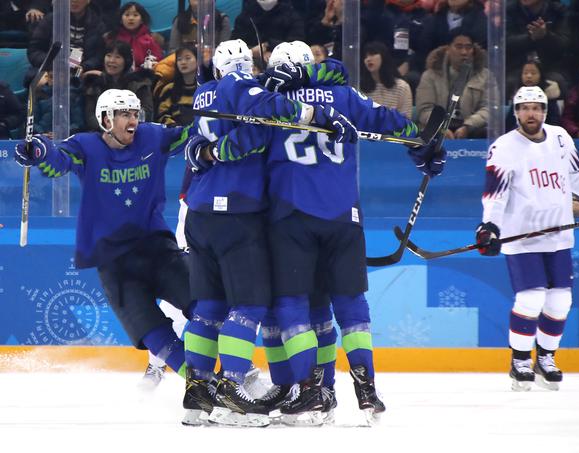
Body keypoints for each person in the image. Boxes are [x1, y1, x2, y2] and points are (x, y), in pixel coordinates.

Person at [262, 40, 442, 426]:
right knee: (350, 307)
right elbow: (392, 122)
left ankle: (312, 390)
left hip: (291, 216)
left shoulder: (268, 96)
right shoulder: (344, 93)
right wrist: (422, 146)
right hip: (344, 216)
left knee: (295, 306)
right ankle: (367, 390)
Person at [179, 38, 354, 427]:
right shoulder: (243, 89)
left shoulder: (205, 93)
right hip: (238, 214)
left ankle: (197, 394)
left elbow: (195, 147)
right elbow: (262, 126)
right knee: (251, 306)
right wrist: (321, 117)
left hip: (201, 213)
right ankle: (231, 395)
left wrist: (205, 152)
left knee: (209, 307)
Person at [14, 89, 196, 386]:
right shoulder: (85, 147)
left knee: (204, 304)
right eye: (124, 114)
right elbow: (57, 159)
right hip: (114, 259)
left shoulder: (153, 137)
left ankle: (236, 375)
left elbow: (189, 135)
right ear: (105, 119)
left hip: (157, 248)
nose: (132, 120)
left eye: (135, 113)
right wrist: (38, 150)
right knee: (151, 330)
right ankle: (200, 384)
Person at [475, 86, 579, 392]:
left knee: (560, 301)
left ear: (545, 111)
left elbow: (576, 177)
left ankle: (546, 358)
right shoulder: (504, 147)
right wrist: (489, 226)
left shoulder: (560, 137)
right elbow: (495, 193)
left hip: (559, 234)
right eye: (525, 108)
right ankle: (520, 360)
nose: (531, 113)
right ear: (516, 112)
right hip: (522, 236)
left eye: (537, 107)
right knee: (531, 298)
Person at [416, 31, 492, 138]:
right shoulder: (430, 76)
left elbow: (488, 109)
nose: (464, 52)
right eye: (459, 47)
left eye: (468, 47)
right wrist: (441, 127)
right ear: (448, 49)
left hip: (473, 129)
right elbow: (425, 110)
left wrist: (468, 126)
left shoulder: (486, 76)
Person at [81, 41, 155, 131]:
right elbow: (90, 116)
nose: (112, 60)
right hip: (102, 134)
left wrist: (122, 127)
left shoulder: (139, 83)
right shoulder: (96, 83)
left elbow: (147, 114)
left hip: (132, 133)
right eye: (108, 55)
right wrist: (109, 129)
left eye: (117, 57)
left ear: (126, 61)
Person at [360, 41, 413, 119]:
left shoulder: (402, 87)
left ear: (383, 57)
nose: (368, 59)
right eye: (366, 57)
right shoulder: (361, 88)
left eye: (372, 54)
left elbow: (406, 120)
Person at [106, 2, 163, 71]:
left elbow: (157, 61)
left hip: (142, 77)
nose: (131, 18)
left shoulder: (149, 40)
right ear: (121, 20)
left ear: (142, 20)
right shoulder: (113, 37)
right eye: (127, 15)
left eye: (135, 15)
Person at [505, 60, 561, 131]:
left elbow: (554, 123)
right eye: (525, 73)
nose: (529, 76)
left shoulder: (549, 97)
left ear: (541, 75)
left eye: (533, 73)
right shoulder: (518, 97)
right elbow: (509, 124)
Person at [155, 44, 198, 126]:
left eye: (188, 58)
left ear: (198, 60)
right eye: (179, 59)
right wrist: (174, 127)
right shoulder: (169, 89)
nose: (183, 62)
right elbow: (162, 115)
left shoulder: (204, 88)